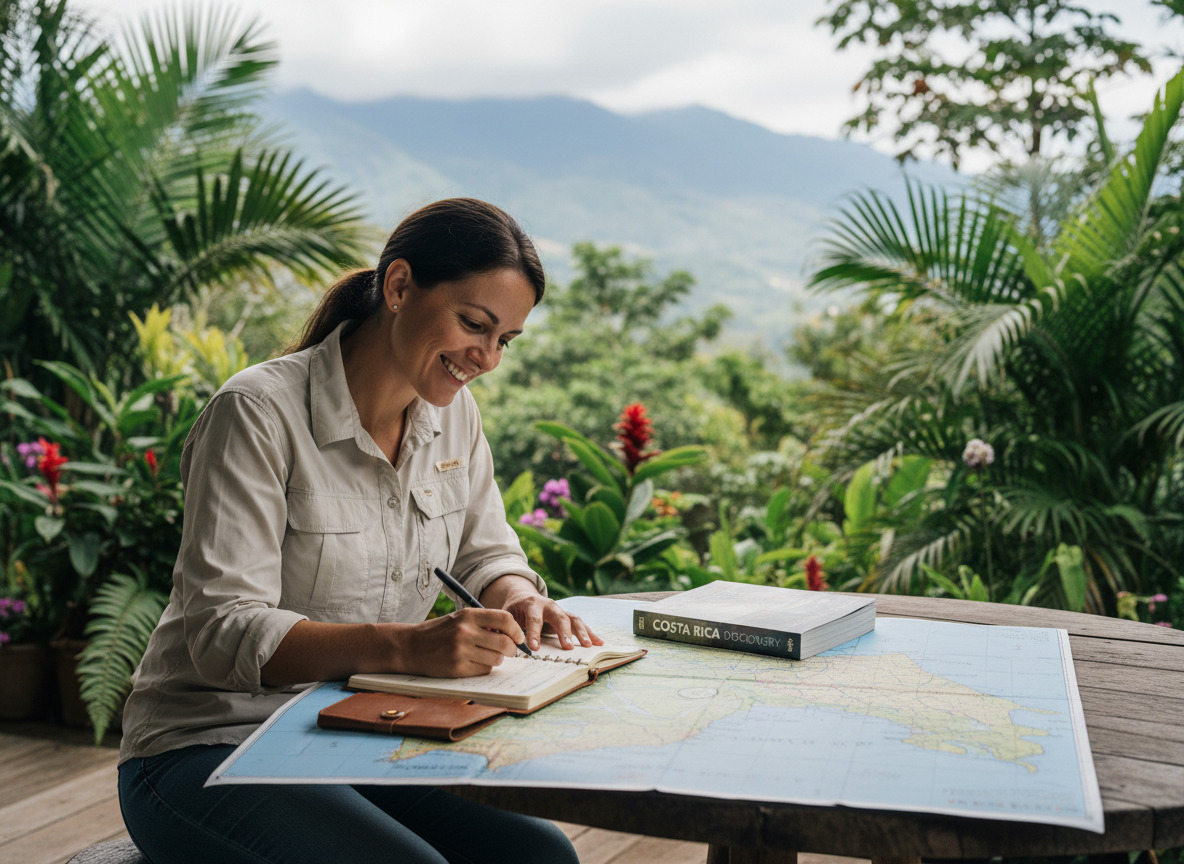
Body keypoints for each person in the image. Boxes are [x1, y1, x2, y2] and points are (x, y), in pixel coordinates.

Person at [117, 198, 601, 864]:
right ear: (399, 287)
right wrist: (406, 649)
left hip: (354, 733)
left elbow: (486, 550)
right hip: (208, 747)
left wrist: (517, 593)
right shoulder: (256, 413)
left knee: (540, 857)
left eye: (504, 340)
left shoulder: (453, 418)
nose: (486, 357)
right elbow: (221, 631)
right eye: (473, 324)